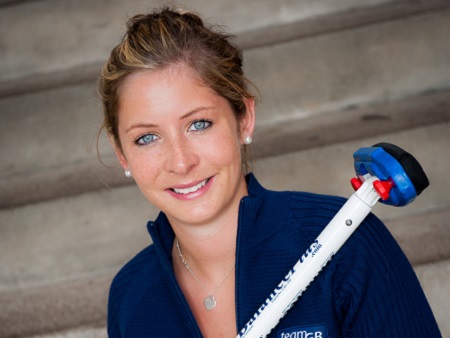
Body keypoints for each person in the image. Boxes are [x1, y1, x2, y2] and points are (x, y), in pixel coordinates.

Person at [98, 7, 441, 338]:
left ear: (243, 119)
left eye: (198, 124)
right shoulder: (130, 297)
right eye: (147, 137)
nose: (180, 162)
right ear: (122, 154)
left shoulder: (350, 244)